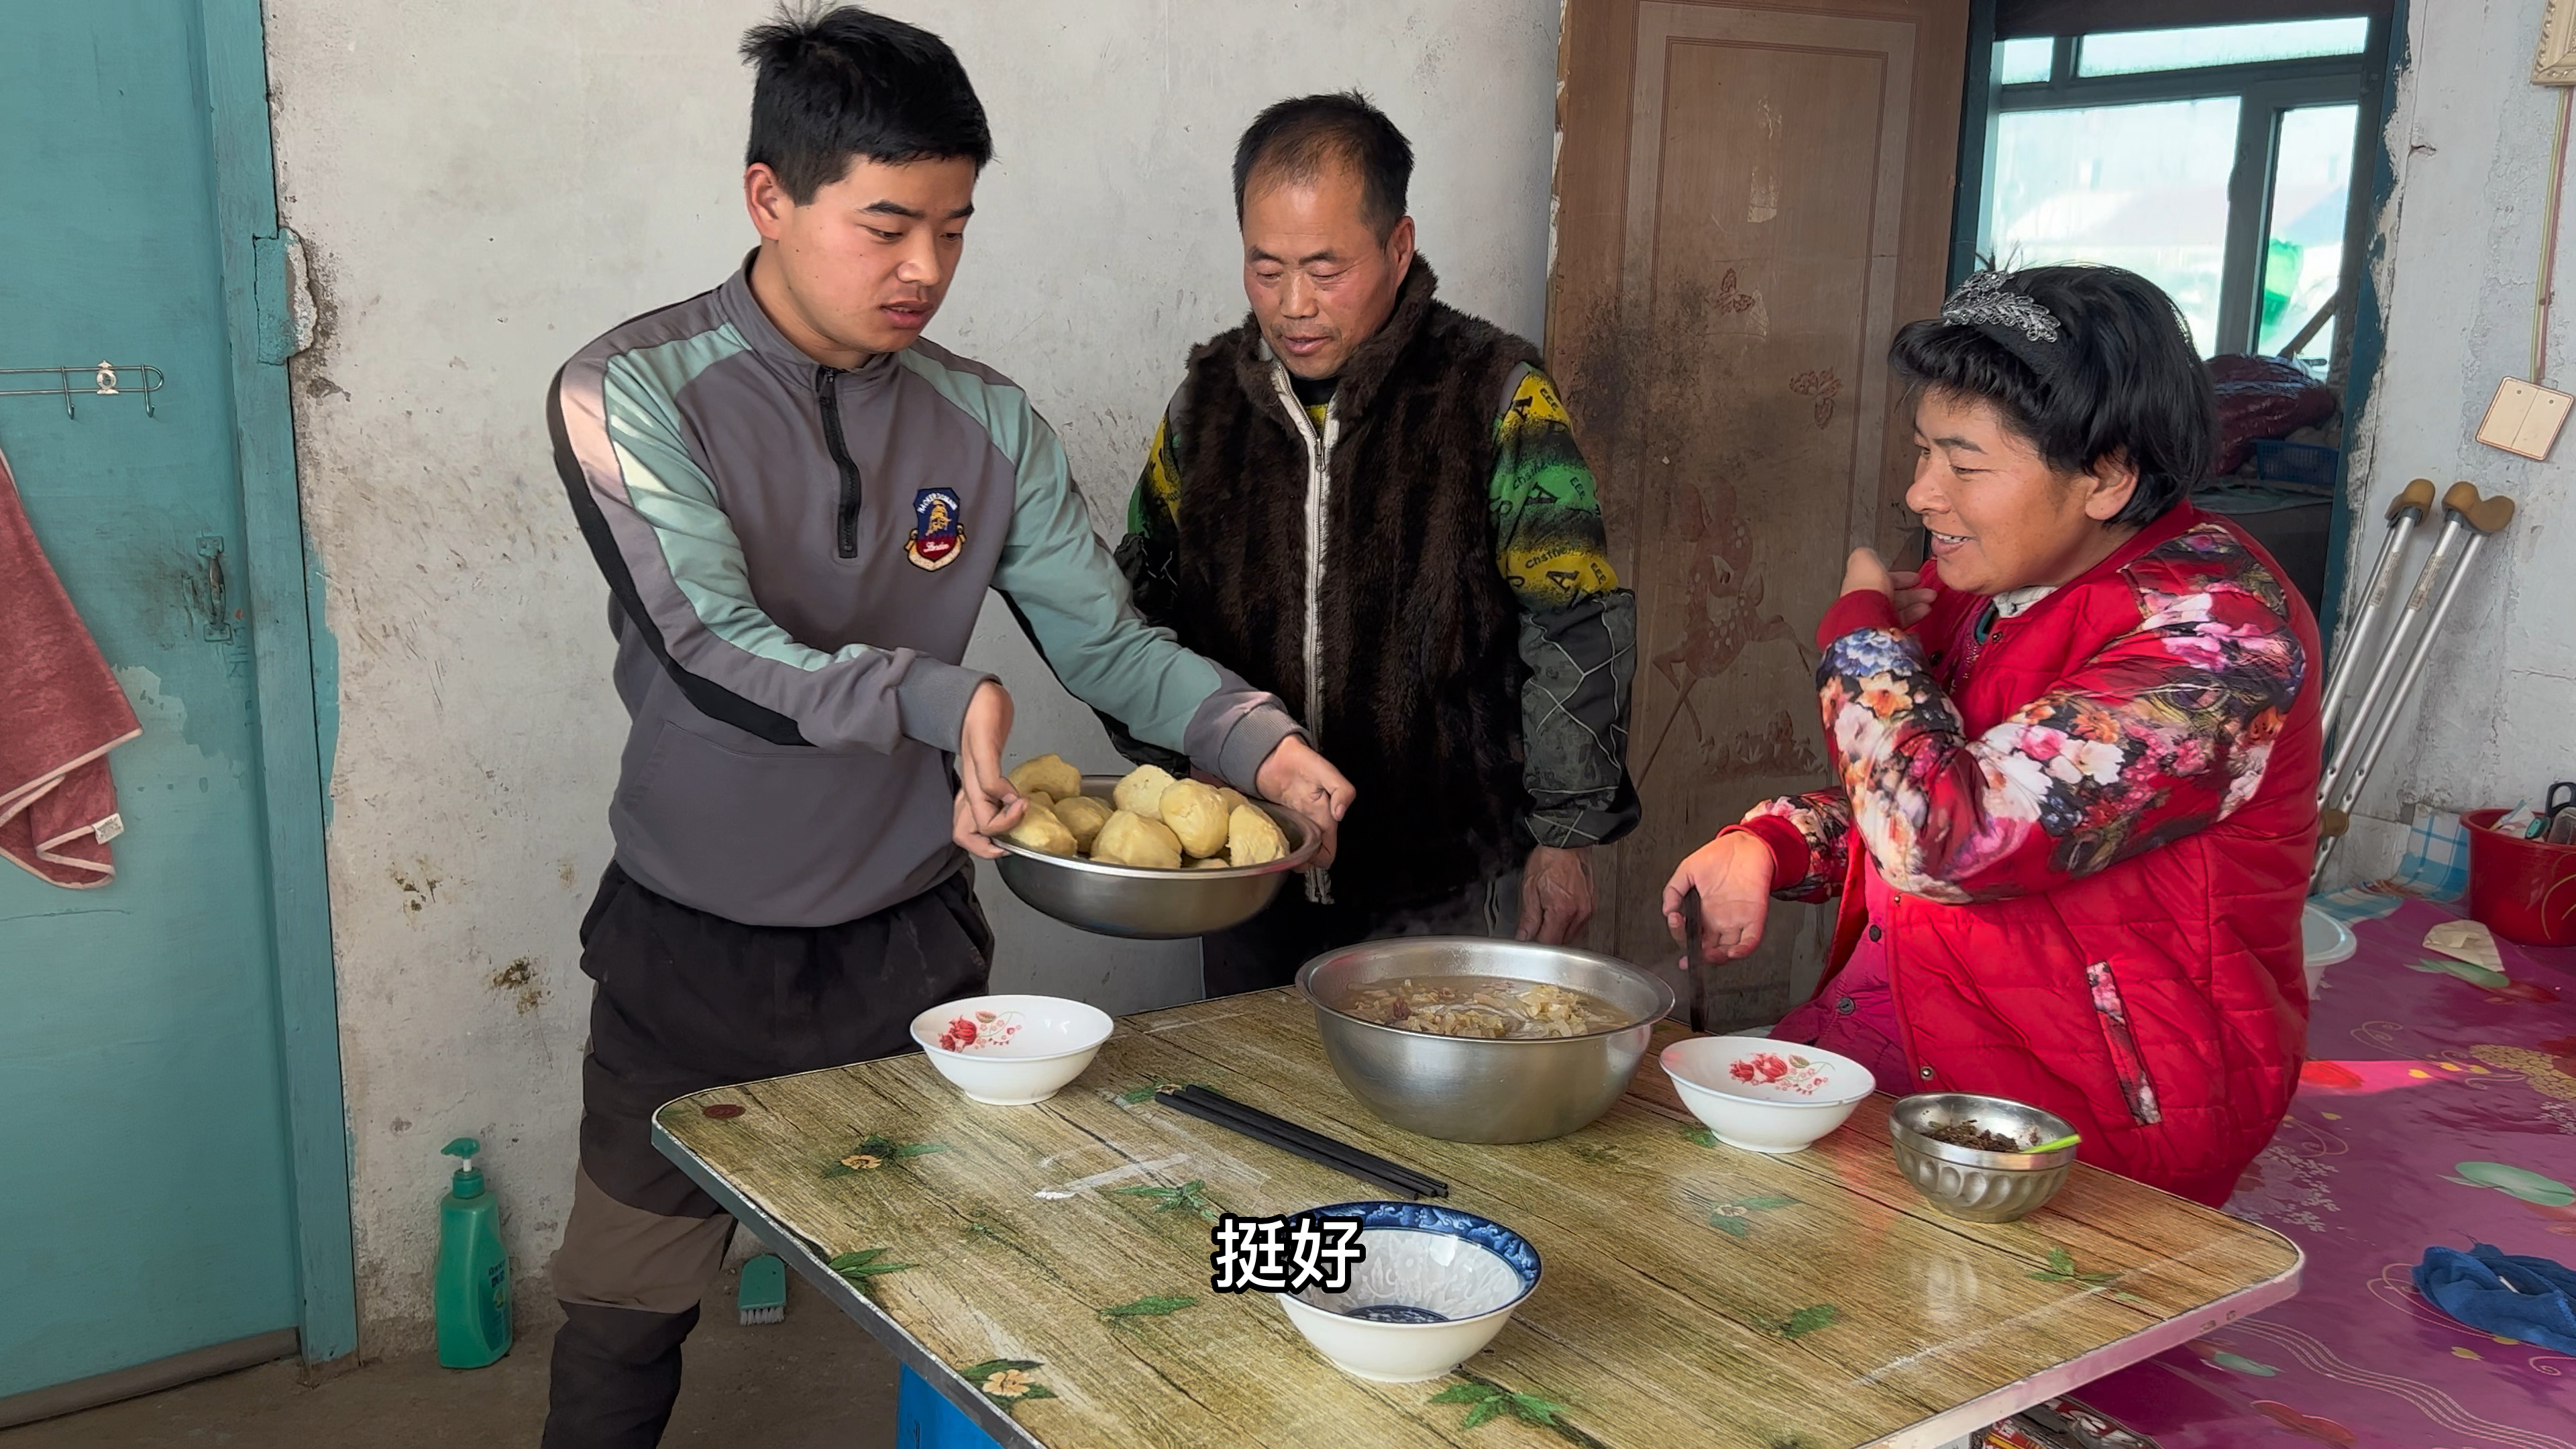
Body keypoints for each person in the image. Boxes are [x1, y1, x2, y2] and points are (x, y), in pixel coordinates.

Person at [539, 11, 1352, 1446]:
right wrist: (940, 692)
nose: (927, 269)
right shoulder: (631, 392)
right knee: (622, 1310)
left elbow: (1102, 642)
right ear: (769, 199)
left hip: (909, 944)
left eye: (958, 229)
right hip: (690, 949)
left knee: (977, 1295)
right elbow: (712, 641)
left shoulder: (985, 424)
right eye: (889, 225)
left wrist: (1252, 740)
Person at [1662, 265, 2321, 1206]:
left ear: (2107, 476)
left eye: (1964, 465)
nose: (1922, 495)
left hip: (2079, 1122)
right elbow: (1952, 776)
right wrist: (1770, 844)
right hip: (1917, 1028)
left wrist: (1862, 634)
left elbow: (1945, 839)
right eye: (1924, 451)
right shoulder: (2007, 585)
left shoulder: (2215, 640)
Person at [1115, 93, 1638, 993]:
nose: (1295, 306)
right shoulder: (1205, 408)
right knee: (1259, 1103)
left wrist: (1566, 837)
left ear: (1398, 246)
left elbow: (1574, 623)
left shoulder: (1496, 397)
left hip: (1442, 874)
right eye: (1266, 268)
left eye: (1326, 268)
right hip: (1252, 866)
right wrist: (1183, 771)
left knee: (1433, 1109)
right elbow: (1136, 601)